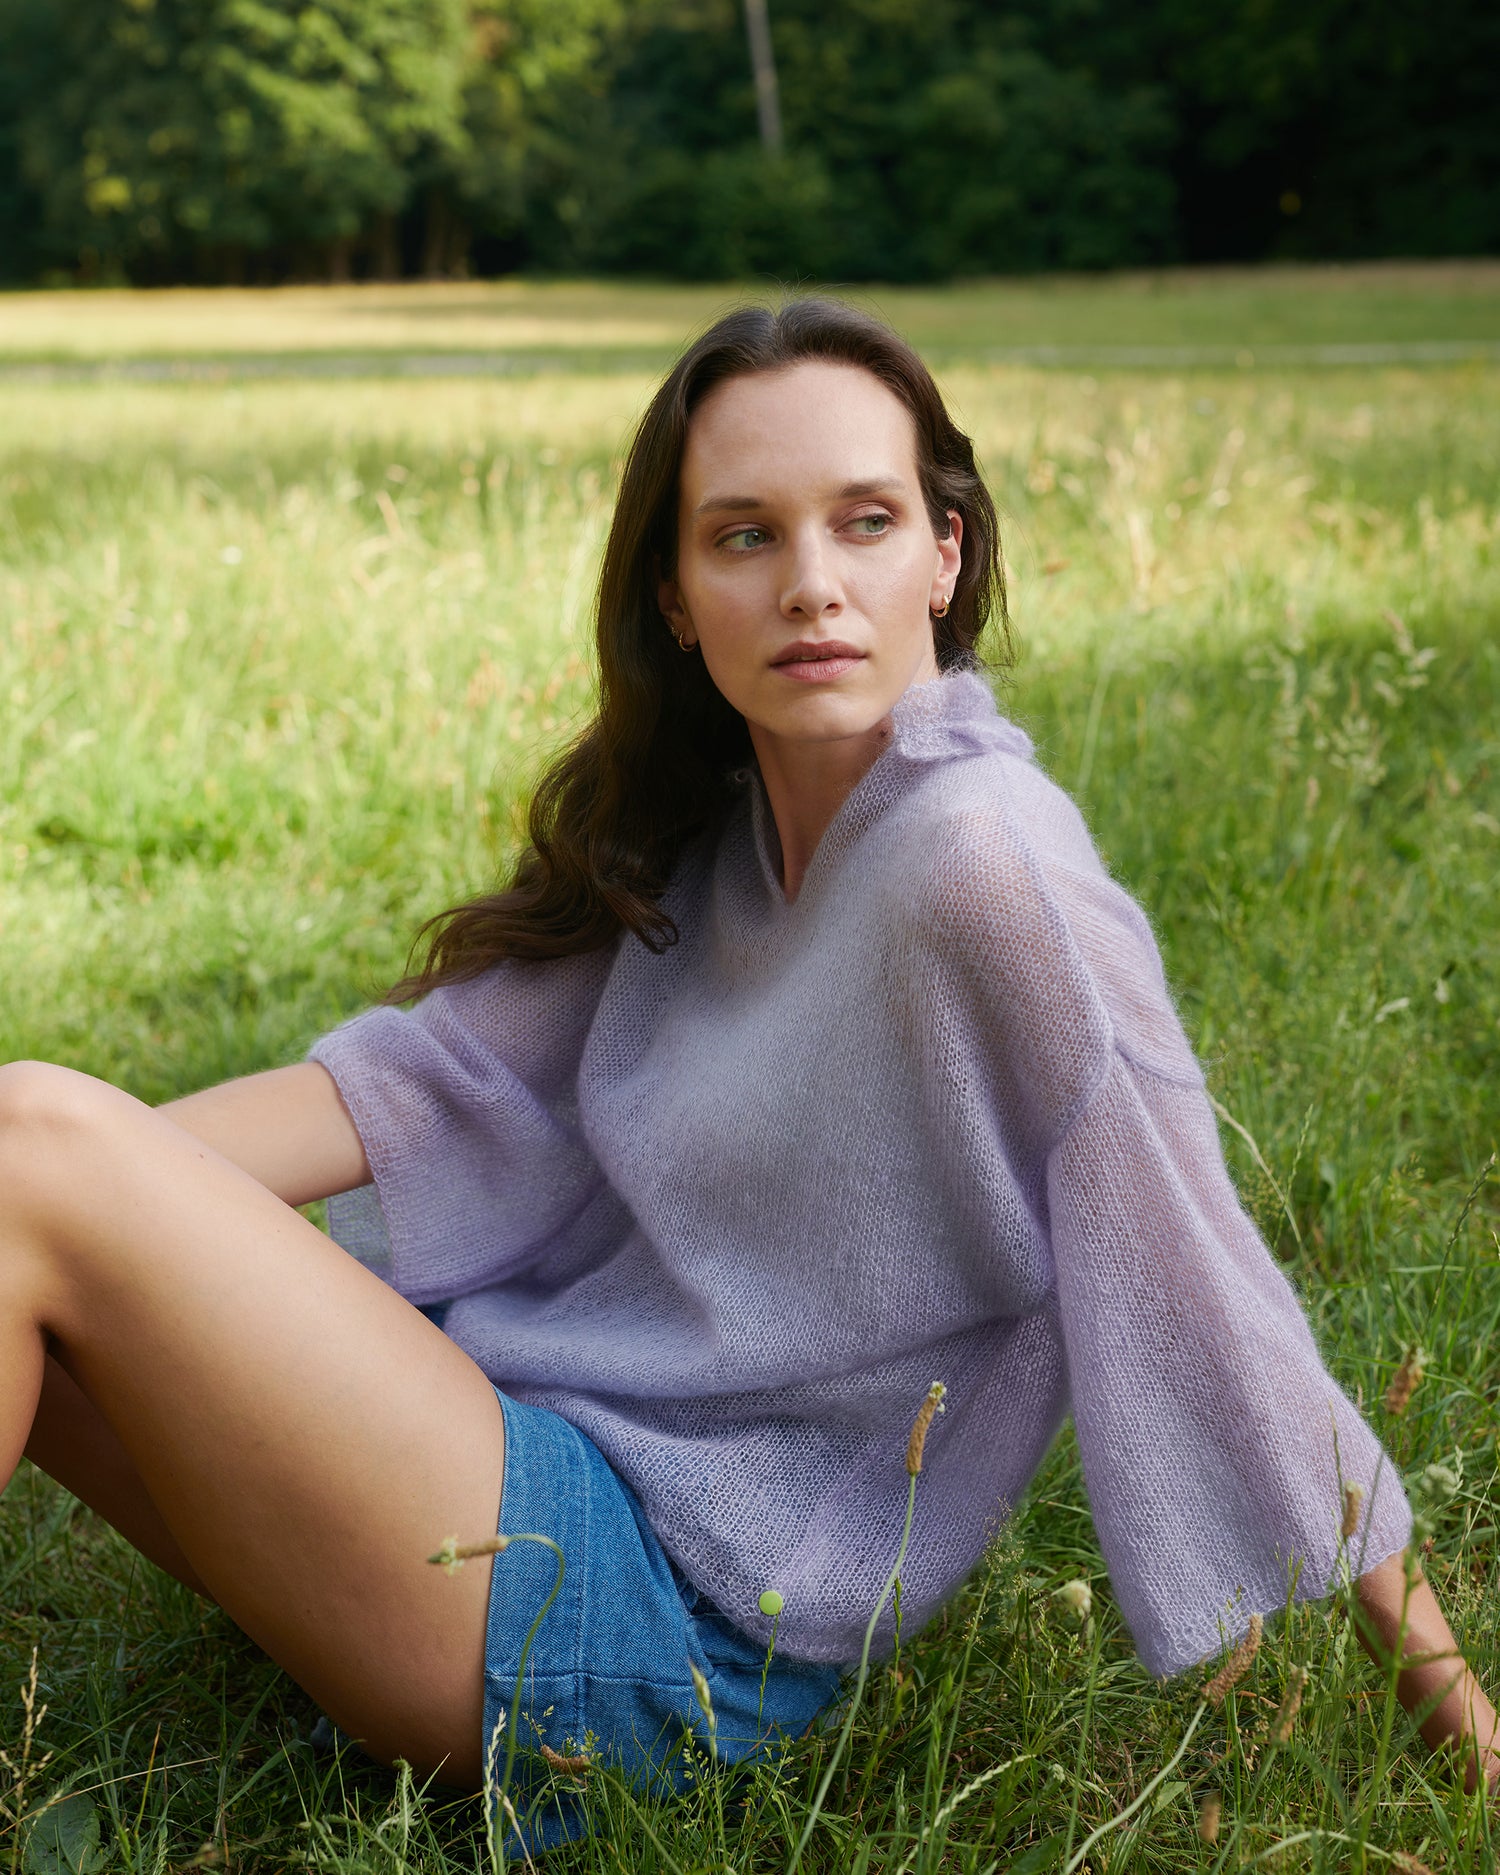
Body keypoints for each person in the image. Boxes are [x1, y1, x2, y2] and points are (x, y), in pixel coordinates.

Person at [1, 298, 1494, 1835]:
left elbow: (1207, 1283)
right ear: (673, 592)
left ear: (946, 556)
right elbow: (414, 1090)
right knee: (34, 1162)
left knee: (40, 1147)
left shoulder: (986, 866)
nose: (812, 587)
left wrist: (1462, 1721)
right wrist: (60, 1190)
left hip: (658, 1638)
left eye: (865, 522)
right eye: (745, 537)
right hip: (506, 1501)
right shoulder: (709, 852)